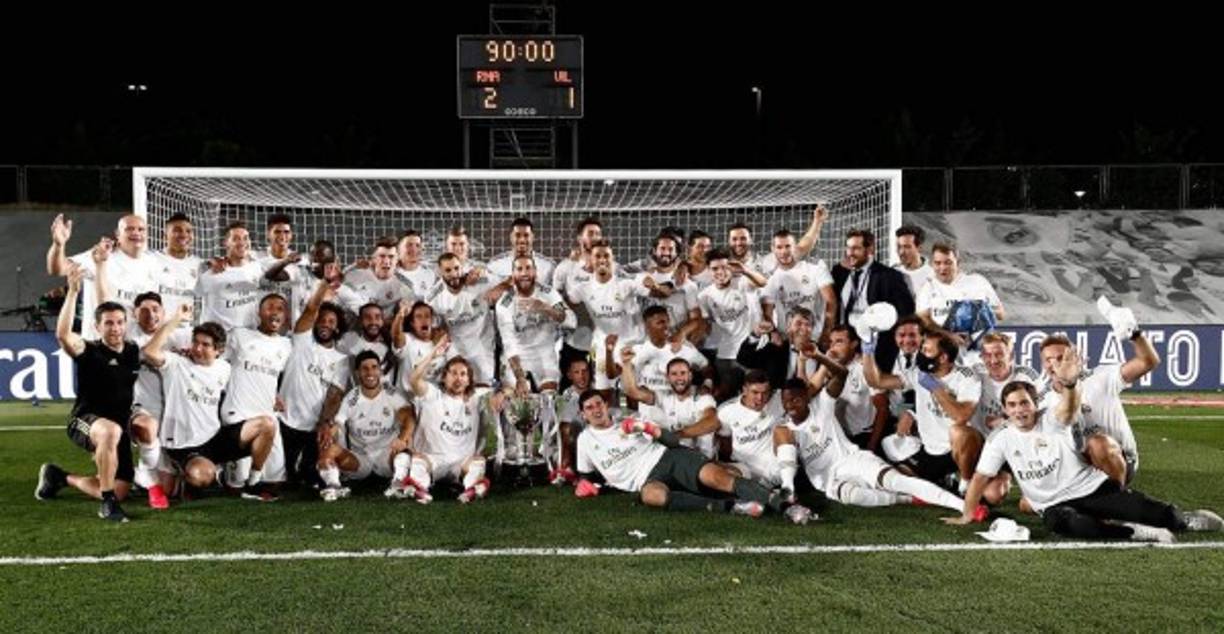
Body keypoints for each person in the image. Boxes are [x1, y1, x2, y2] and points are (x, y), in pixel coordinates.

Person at [574, 390, 813, 523]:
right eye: (589, 408)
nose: (595, 410)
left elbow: (672, 441)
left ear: (606, 405)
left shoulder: (628, 421)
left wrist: (646, 428)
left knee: (720, 478)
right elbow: (585, 476)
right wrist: (583, 484)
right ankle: (733, 507)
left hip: (670, 458)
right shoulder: (585, 441)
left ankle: (785, 507)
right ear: (583, 415)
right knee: (653, 497)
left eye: (598, 404)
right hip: (646, 480)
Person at [35, 265, 142, 522]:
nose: (115, 328)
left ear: (126, 324)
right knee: (110, 432)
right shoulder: (88, 350)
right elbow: (62, 335)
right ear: (97, 326)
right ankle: (107, 505)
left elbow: (107, 301)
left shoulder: (132, 351)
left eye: (119, 322)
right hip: (85, 420)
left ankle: (60, 476)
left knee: (121, 489)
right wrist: (73, 292)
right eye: (108, 323)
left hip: (118, 425)